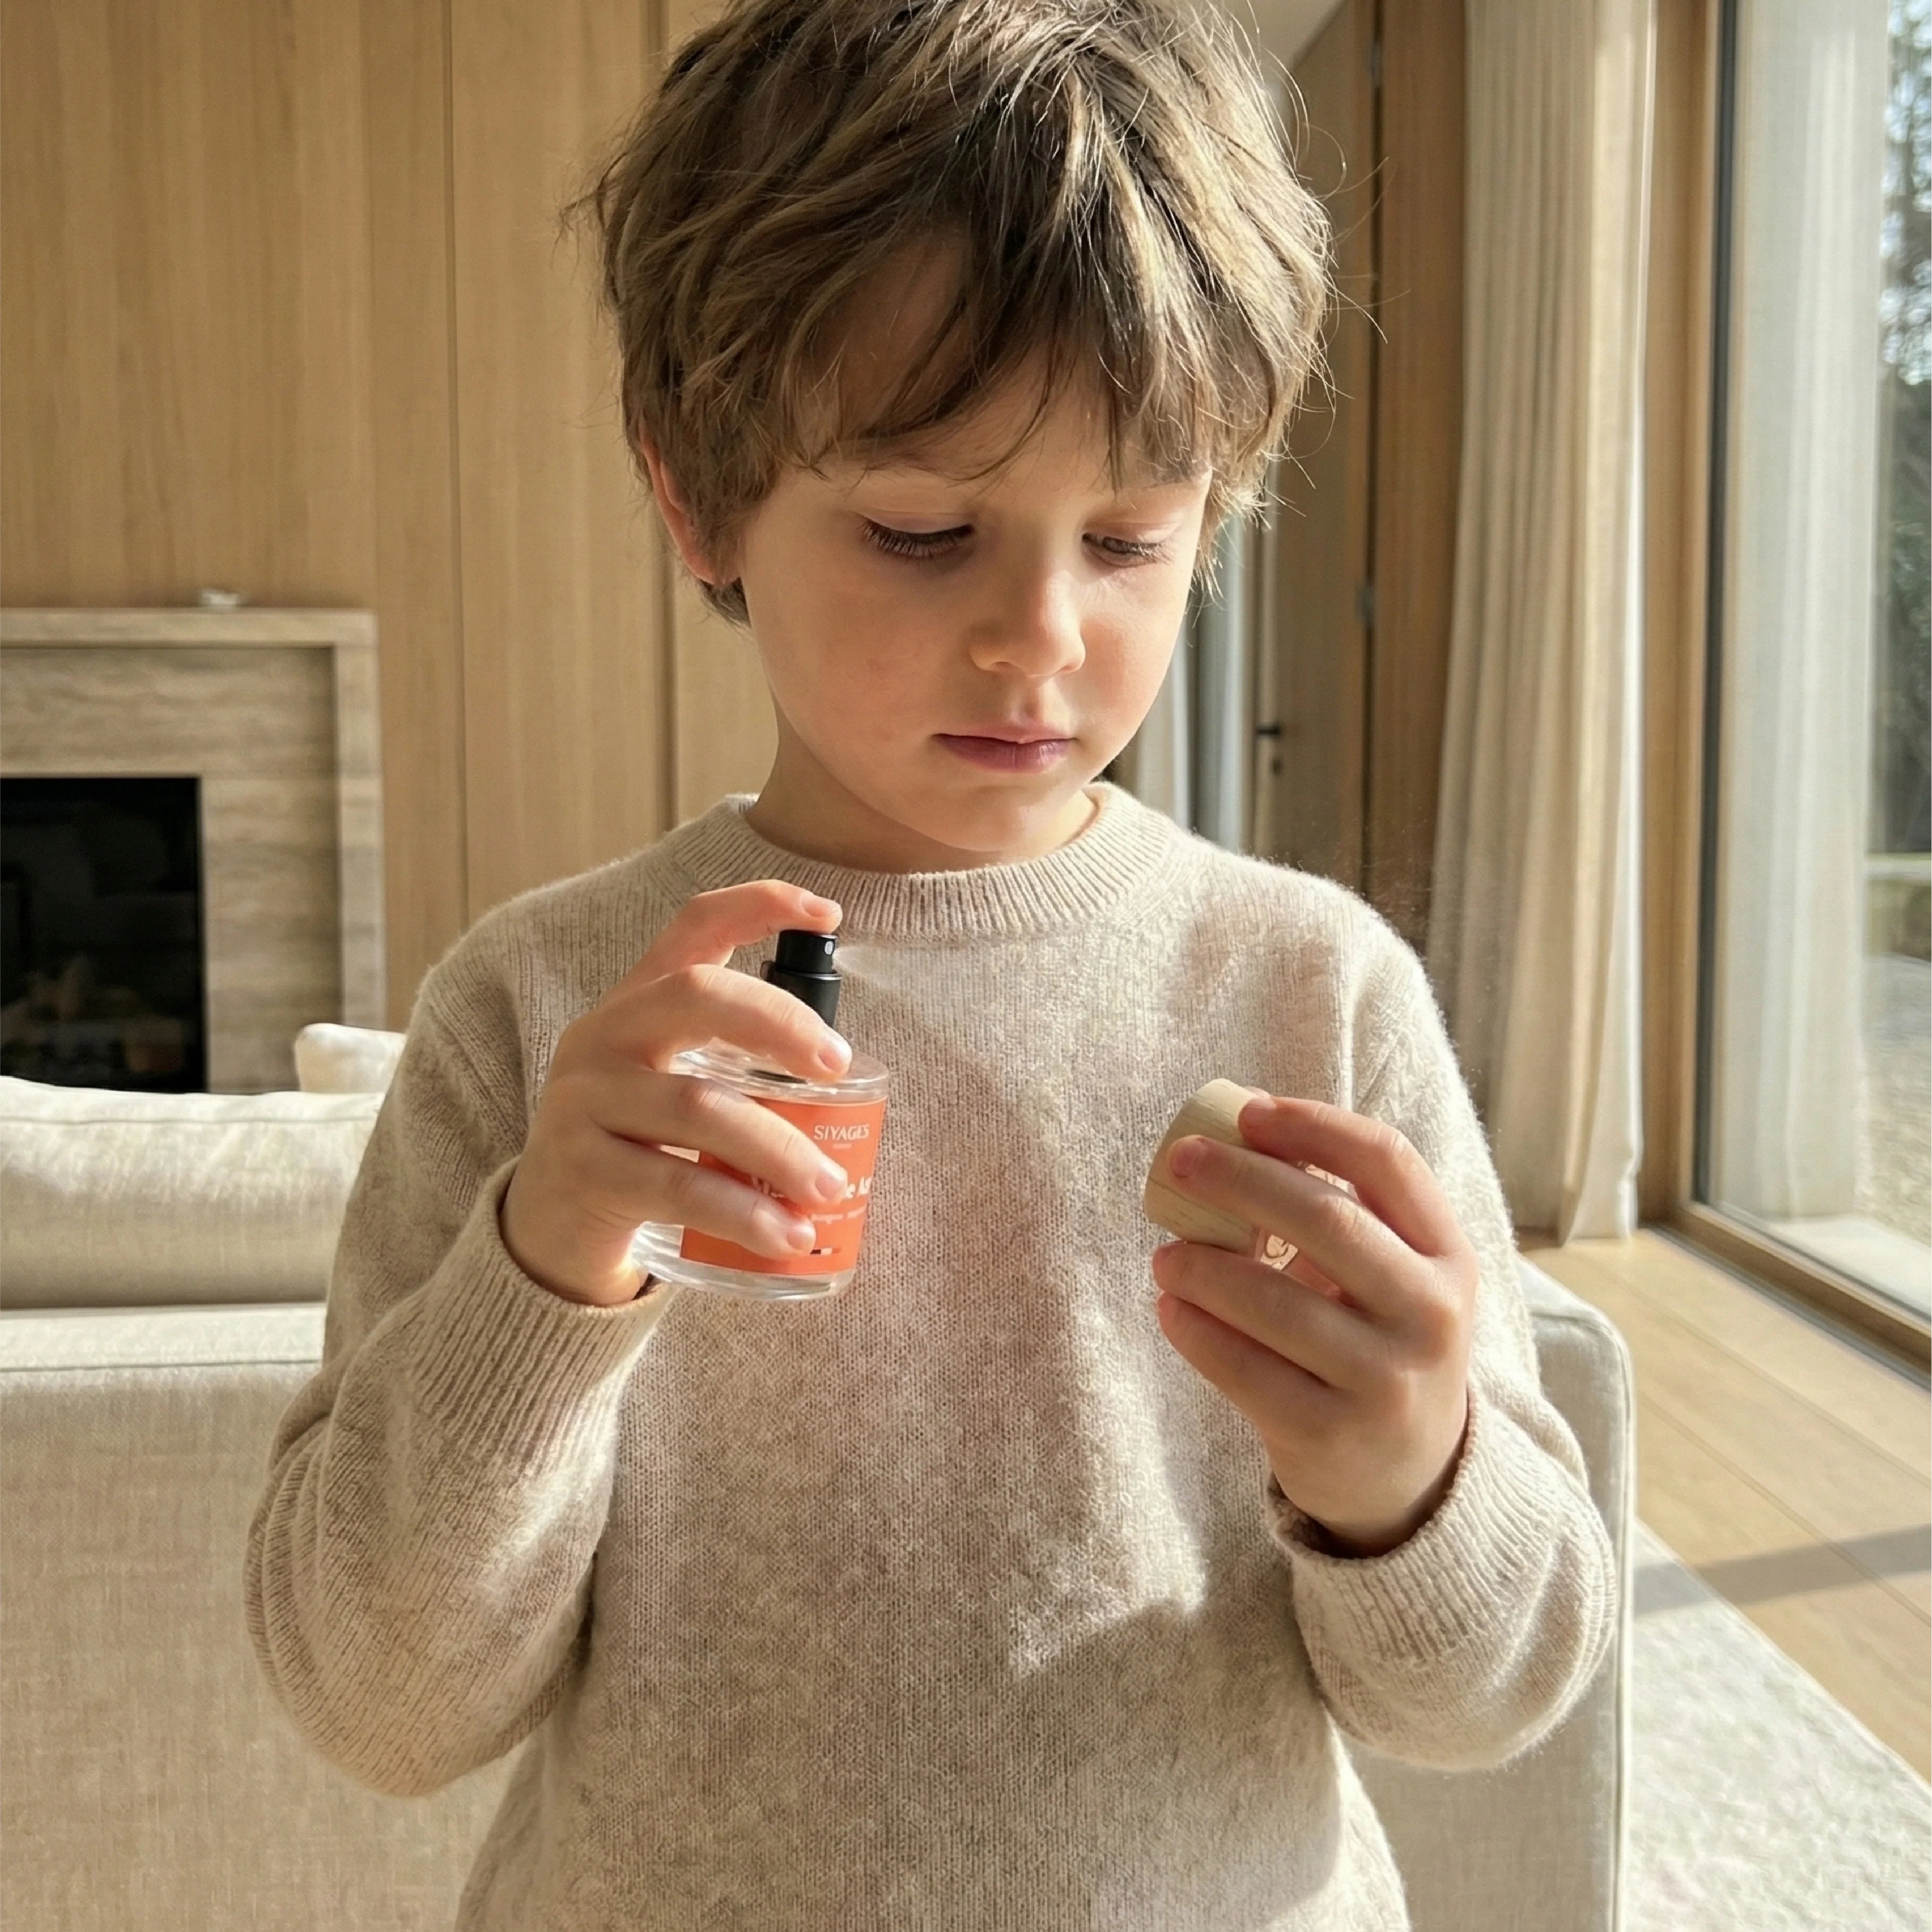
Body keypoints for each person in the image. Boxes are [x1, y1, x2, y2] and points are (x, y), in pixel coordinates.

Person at [244, 2, 1616, 1925]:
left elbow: (1495, 1692)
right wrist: (543, 1276)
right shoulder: (548, 1010)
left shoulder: (1309, 989)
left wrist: (1411, 1475)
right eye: (920, 530)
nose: (1037, 639)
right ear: (694, 488)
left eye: (1131, 538)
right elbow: (378, 1703)